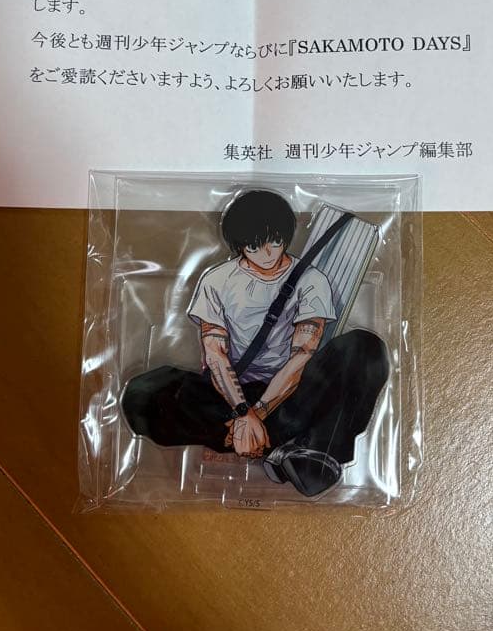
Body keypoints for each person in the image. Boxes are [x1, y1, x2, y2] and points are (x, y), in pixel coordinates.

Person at [122, 189, 389, 496]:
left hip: (292, 395)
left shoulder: (311, 280)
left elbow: (302, 355)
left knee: (365, 348)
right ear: (239, 245)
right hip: (230, 397)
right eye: (254, 246)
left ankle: (307, 452)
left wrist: (257, 414)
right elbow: (216, 354)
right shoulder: (217, 280)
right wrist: (242, 413)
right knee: (143, 394)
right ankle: (281, 447)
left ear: (285, 236)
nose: (267, 253)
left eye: (274, 242)